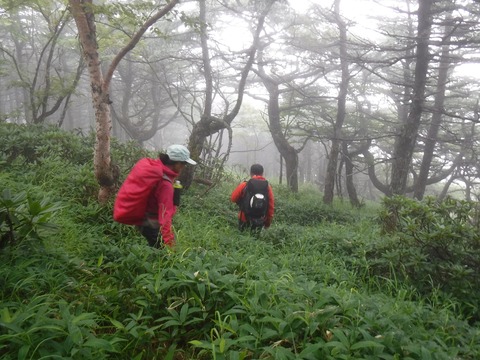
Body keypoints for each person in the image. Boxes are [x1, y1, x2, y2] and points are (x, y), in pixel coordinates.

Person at [120, 144, 196, 248]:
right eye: (184, 164)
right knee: (161, 253)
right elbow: (165, 217)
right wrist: (170, 244)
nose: (183, 167)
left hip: (142, 218)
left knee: (154, 248)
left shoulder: (158, 170)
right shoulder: (165, 184)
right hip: (150, 222)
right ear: (177, 163)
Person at [231, 164, 274, 232]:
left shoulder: (245, 185)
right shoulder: (267, 187)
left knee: (241, 238)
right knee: (255, 240)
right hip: (260, 220)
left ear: (251, 173)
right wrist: (267, 223)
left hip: (243, 218)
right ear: (262, 173)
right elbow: (270, 207)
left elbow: (233, 198)